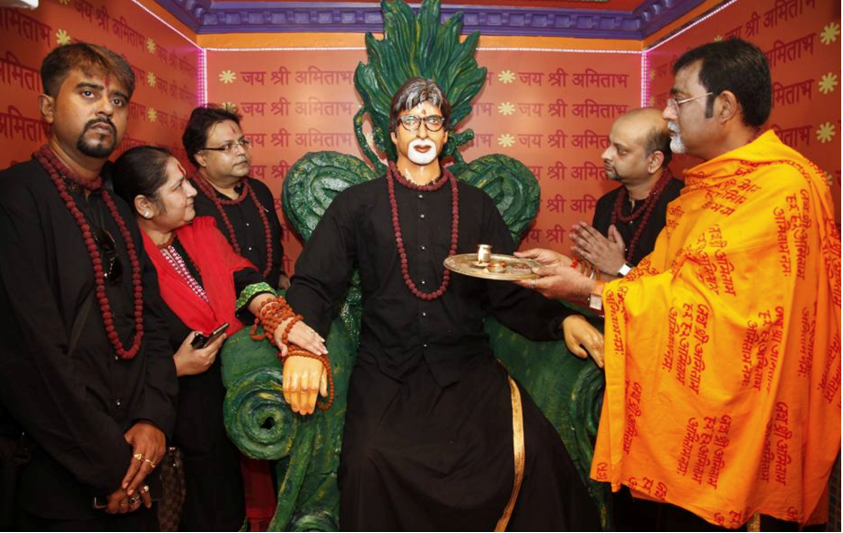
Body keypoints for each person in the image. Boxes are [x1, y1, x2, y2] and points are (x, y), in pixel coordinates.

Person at [517, 39, 841, 531]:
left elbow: (715, 313)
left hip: (736, 432)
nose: (668, 114)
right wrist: (579, 274)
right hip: (679, 418)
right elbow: (658, 281)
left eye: (679, 99)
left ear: (725, 107)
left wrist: (583, 290)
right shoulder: (704, 190)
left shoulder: (782, 190)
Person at [284, 77, 601, 531]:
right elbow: (315, 283)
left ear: (447, 133)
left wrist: (562, 321)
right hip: (387, 372)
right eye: (410, 121)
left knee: (535, 451)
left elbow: (508, 292)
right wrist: (301, 344)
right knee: (366, 463)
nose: (422, 131)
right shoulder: (357, 204)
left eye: (433, 121)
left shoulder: (476, 206)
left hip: (467, 372)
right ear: (392, 134)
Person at [0, 43, 177, 531]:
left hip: (138, 469)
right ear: (47, 107)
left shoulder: (118, 210)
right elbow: (31, 359)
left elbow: (152, 327)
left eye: (117, 100)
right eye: (87, 93)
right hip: (60, 480)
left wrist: (153, 421)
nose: (105, 108)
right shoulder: (15, 199)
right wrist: (112, 467)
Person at [111, 146, 327, 532]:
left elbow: (242, 277)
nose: (192, 192)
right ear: (144, 205)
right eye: (178, 187)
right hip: (177, 421)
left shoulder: (201, 234)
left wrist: (277, 317)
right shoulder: (125, 266)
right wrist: (176, 367)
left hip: (231, 399)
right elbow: (113, 359)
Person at [181, 106, 289, 290]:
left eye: (242, 142)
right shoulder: (188, 200)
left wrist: (280, 275)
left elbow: (274, 245)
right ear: (201, 158)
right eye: (227, 146)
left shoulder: (260, 191)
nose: (241, 151)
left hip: (270, 300)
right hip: (219, 304)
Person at [569, 108, 683, 281]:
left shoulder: (683, 205)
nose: (605, 155)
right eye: (609, 144)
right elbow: (597, 281)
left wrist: (619, 267)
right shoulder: (607, 204)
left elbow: (676, 289)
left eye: (621, 151)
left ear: (653, 161)